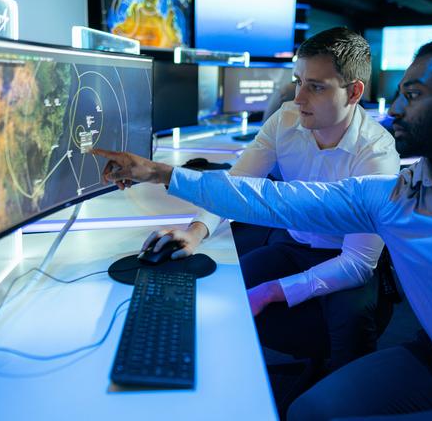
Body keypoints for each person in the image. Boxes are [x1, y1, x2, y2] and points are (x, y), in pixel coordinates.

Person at [93, 38, 432, 420]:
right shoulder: (392, 197)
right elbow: (267, 197)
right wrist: (159, 172)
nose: (395, 108)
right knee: (306, 411)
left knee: (349, 321)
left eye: (413, 95)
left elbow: (358, 264)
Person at [141, 27, 399, 366]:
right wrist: (195, 232)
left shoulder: (377, 154)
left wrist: (273, 291)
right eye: (298, 82)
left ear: (354, 93)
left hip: (346, 256)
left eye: (316, 87)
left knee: (349, 326)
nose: (299, 98)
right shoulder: (286, 120)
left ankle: (340, 397)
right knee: (225, 284)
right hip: (294, 245)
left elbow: (357, 264)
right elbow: (237, 185)